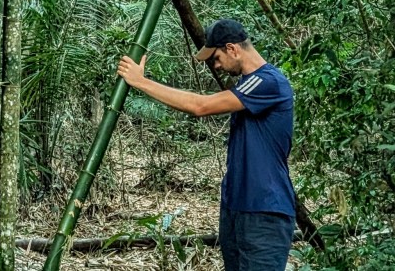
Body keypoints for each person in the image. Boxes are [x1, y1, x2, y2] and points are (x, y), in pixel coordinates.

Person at [117, 18, 296, 271]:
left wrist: (141, 82)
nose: (216, 66)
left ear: (232, 49)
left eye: (216, 58)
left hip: (264, 209)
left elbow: (200, 106)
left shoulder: (268, 81)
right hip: (236, 206)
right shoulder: (247, 84)